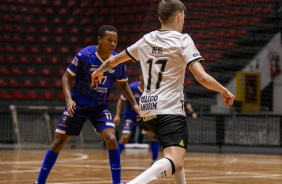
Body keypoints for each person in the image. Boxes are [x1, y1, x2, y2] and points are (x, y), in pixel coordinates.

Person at [91, 0, 234, 183]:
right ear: (180, 17)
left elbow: (115, 60)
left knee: (174, 160)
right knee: (176, 160)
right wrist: (223, 90)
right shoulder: (183, 40)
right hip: (170, 109)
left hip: (148, 111)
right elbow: (202, 77)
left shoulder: (146, 39)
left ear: (160, 18)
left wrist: (98, 71)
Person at [34, 25, 138, 184]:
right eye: (109, 40)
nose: (113, 44)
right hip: (78, 105)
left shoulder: (117, 60)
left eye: (115, 41)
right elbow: (65, 77)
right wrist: (69, 99)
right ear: (99, 39)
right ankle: (40, 182)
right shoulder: (84, 55)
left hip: (99, 107)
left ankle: (117, 183)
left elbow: (124, 84)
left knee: (111, 138)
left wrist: (135, 104)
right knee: (58, 142)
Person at [113, 74, 159, 164]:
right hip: (131, 116)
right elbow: (121, 100)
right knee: (125, 137)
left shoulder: (152, 90)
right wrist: (117, 115)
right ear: (140, 76)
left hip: (145, 116)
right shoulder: (132, 87)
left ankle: (154, 160)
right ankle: (114, 157)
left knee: (154, 135)